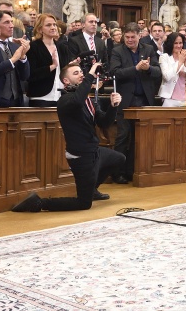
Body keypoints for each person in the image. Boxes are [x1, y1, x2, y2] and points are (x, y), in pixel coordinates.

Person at [11, 61, 125, 212]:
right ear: (65, 81)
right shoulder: (65, 101)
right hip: (81, 156)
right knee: (84, 204)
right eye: (76, 73)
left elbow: (104, 123)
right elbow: (77, 100)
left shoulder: (88, 100)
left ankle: (93, 190)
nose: (81, 75)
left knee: (119, 158)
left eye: (81, 72)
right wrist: (91, 74)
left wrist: (113, 106)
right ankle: (40, 203)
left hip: (94, 151)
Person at [110, 23, 161, 184]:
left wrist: (147, 69)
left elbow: (158, 71)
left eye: (133, 37)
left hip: (144, 100)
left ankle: (132, 171)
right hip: (125, 100)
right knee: (123, 137)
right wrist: (136, 68)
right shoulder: (117, 51)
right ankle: (116, 172)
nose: (130, 40)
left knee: (139, 139)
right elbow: (115, 73)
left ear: (140, 35)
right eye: (127, 37)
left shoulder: (148, 49)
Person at [0, 11, 31, 107]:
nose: (12, 25)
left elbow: (25, 76)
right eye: (6, 22)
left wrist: (23, 58)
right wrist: (12, 60)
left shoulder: (14, 46)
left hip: (16, 101)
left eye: (11, 22)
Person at [27, 13, 71, 107]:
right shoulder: (33, 47)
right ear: (40, 29)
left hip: (61, 95)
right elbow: (31, 74)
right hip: (40, 96)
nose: (53, 27)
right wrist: (52, 66)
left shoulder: (62, 47)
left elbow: (64, 70)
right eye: (48, 25)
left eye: (54, 24)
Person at [158, 32, 186, 107]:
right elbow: (167, 76)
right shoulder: (164, 57)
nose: (179, 46)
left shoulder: (185, 56)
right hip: (170, 98)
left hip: (185, 97)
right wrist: (179, 62)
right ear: (171, 44)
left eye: (180, 43)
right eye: (175, 43)